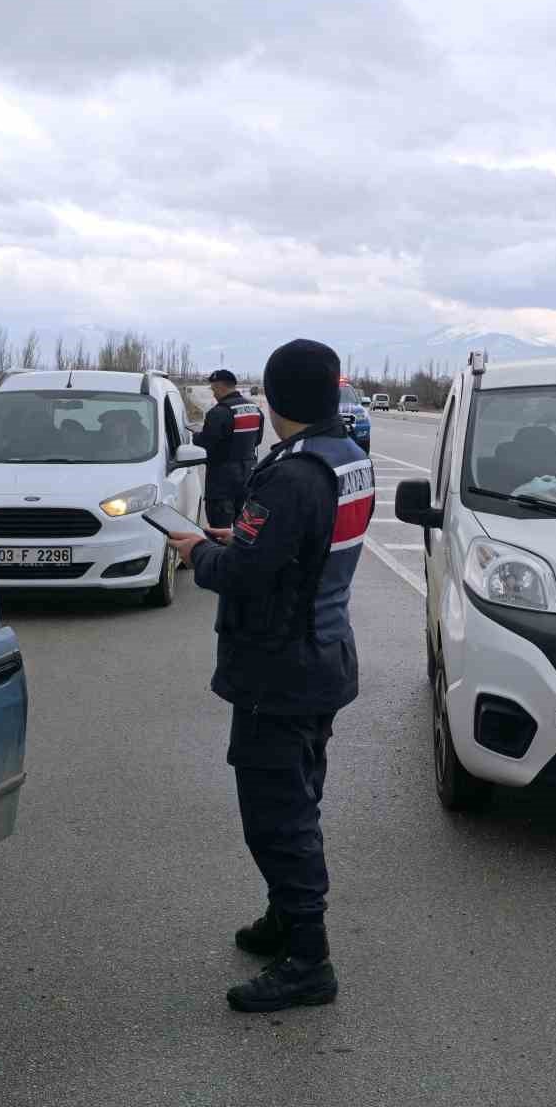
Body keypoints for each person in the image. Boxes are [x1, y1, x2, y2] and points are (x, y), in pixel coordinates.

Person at [166, 340, 373, 1013]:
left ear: (275, 396)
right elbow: (296, 552)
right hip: (324, 653)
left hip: (279, 670)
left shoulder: (289, 475)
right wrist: (242, 541)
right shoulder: (346, 458)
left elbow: (248, 576)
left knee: (277, 817)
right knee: (300, 792)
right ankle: (286, 919)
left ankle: (308, 959)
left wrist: (202, 551)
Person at [193, 370, 266, 528]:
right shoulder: (255, 409)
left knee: (219, 533)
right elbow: (257, 440)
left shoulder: (218, 413)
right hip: (248, 479)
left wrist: (194, 436)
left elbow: (206, 443)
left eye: (213, 389)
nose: (213, 394)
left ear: (220, 388)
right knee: (245, 533)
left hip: (222, 484)